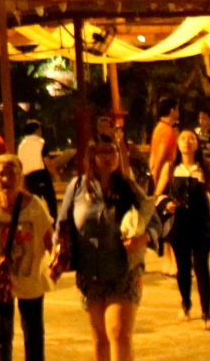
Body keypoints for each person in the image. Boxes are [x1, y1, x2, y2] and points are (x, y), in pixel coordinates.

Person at [59, 135, 148, 355]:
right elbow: (62, 223)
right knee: (100, 339)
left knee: (118, 333)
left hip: (123, 271)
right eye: (103, 152)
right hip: (90, 273)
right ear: (92, 156)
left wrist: (141, 238)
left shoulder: (128, 186)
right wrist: (58, 252)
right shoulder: (78, 186)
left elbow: (154, 221)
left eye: (113, 151)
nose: (109, 157)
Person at [0, 155, 54, 361]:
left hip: (30, 277)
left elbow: (48, 238)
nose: (7, 178)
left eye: (12, 173)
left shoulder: (35, 206)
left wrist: (54, 264)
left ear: (20, 177)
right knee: (0, 334)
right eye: (1, 173)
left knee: (33, 334)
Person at [161, 129, 210, 323]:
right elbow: (158, 194)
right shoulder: (170, 168)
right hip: (179, 226)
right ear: (177, 144)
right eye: (183, 139)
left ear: (197, 144)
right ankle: (186, 303)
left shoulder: (205, 168)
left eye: (191, 139)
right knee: (183, 268)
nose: (187, 142)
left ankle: (207, 312)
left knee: (202, 265)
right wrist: (166, 204)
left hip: (202, 224)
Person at [147, 99, 181, 189]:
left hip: (157, 173)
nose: (178, 112)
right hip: (163, 177)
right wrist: (156, 179)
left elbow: (153, 155)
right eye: (177, 109)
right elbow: (160, 157)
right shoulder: (167, 131)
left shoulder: (159, 127)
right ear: (172, 111)